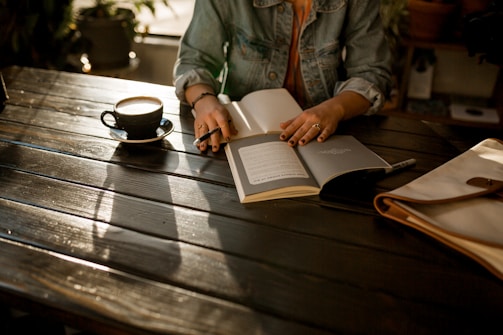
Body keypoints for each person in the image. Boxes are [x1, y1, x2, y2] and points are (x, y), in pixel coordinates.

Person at [174, 0, 392, 152]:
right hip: (239, 132)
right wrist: (204, 102)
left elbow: (371, 73)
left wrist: (334, 109)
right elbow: (195, 59)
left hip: (326, 136)